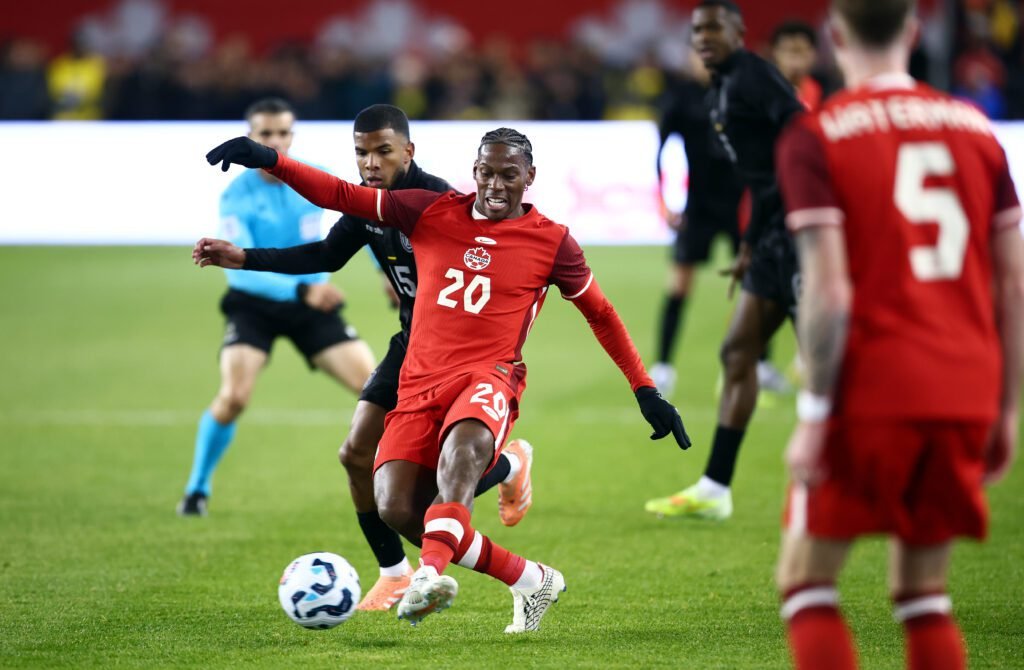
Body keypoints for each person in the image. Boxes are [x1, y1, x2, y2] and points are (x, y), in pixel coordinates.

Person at [201, 127, 691, 632]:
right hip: (419, 379)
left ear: (530, 178)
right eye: (486, 173)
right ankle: (530, 579)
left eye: (509, 175)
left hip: (489, 376)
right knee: (395, 505)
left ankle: (424, 578)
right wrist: (269, 159)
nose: (496, 186)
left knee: (457, 465)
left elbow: (602, 314)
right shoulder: (431, 210)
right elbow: (341, 195)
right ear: (473, 172)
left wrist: (645, 389)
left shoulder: (553, 241)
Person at [191, 104, 536, 612]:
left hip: (456, 354)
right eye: (361, 153)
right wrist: (243, 257)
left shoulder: (438, 202)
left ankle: (507, 465)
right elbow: (327, 255)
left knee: (437, 477)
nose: (370, 163)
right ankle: (394, 572)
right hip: (409, 345)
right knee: (355, 455)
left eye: (382, 152)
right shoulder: (368, 206)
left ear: (408, 152)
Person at [774, 1, 1023, 668]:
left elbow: (827, 290)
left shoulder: (817, 135)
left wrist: (816, 414)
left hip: (873, 391)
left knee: (806, 582)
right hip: (964, 389)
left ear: (834, 37)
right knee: (923, 595)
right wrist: (1007, 407)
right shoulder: (976, 129)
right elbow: (1013, 283)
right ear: (913, 33)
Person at [178, 98, 376, 517]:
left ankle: (402, 483)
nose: (275, 141)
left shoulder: (309, 181)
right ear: (251, 138)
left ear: (292, 135)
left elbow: (365, 218)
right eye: (266, 134)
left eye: (283, 133)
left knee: (378, 393)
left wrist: (382, 272)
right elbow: (240, 271)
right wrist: (301, 292)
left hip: (311, 304)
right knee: (234, 397)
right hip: (255, 306)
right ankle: (197, 489)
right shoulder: (237, 194)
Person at [645, 0, 804, 521]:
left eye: (715, 28)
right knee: (738, 352)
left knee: (827, 371)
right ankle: (716, 487)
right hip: (770, 238)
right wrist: (753, 241)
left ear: (739, 32)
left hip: (801, 235)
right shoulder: (719, 88)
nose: (703, 37)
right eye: (697, 30)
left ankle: (864, 484)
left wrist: (803, 218)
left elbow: (800, 137)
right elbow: (761, 177)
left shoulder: (756, 77)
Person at [648, 50, 744, 399]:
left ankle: (756, 363)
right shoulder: (681, 98)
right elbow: (662, 150)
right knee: (679, 285)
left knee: (753, 287)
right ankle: (663, 365)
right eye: (699, 52)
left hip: (738, 205)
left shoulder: (741, 93)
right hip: (697, 207)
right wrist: (667, 201)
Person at [771, 20, 823, 112]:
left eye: (800, 50)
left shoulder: (829, 92)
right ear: (775, 53)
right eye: (787, 50)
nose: (794, 58)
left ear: (814, 54)